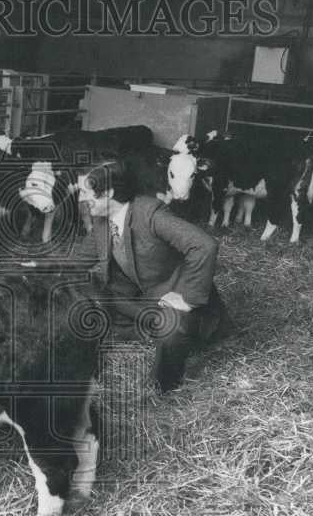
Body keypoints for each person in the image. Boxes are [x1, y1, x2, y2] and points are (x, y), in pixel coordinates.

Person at [77, 158, 233, 393]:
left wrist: (188, 299)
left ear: (108, 193)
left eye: (85, 192)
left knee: (172, 327)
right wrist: (34, 266)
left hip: (175, 299)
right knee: (88, 289)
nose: (80, 199)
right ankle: (145, 328)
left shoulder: (150, 212)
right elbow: (78, 260)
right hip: (143, 298)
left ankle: (163, 386)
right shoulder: (102, 221)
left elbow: (204, 245)